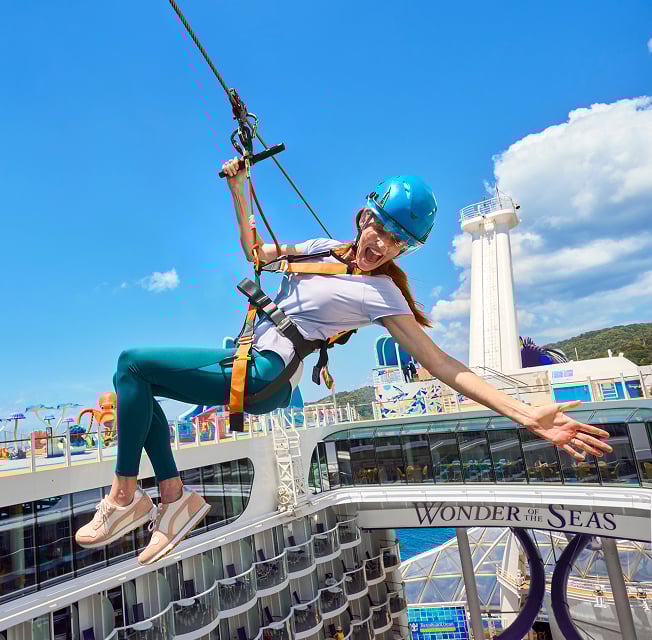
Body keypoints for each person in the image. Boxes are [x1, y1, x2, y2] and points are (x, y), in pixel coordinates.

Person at [74, 158, 612, 566]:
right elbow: (256, 253)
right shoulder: (323, 248)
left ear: (405, 250)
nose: (383, 244)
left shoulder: (383, 294)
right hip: (256, 365)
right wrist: (241, 191)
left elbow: (443, 364)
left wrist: (523, 414)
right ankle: (172, 499)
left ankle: (128, 495)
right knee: (136, 392)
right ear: (364, 216)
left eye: (399, 241)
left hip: (265, 370)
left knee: (131, 363)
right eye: (381, 228)